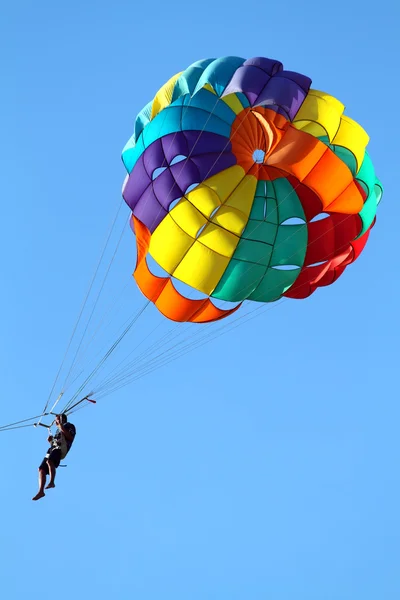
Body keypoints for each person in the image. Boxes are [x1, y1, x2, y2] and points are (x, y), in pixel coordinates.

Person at [32, 413, 76, 501]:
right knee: (41, 469)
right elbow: (57, 440)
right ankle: (41, 491)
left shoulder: (70, 426)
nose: (55, 422)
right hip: (53, 448)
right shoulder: (58, 430)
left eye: (56, 420)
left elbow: (70, 437)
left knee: (50, 461)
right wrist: (50, 441)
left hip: (61, 449)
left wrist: (60, 426)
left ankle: (52, 482)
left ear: (61, 419)